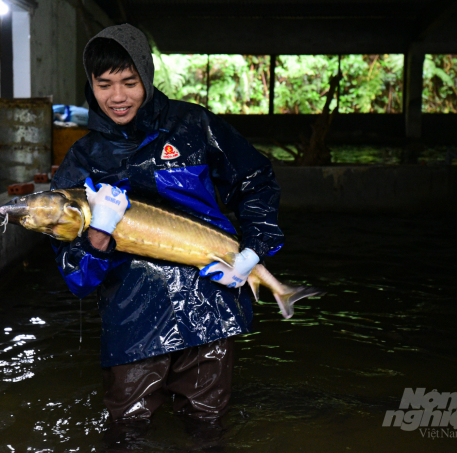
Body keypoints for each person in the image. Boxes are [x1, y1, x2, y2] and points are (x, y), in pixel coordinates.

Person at [50, 24, 284, 424]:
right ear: (91, 84)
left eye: (129, 81)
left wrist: (252, 251)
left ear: (147, 75)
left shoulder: (194, 126)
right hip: (132, 321)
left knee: (206, 428)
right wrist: (98, 235)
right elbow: (77, 278)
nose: (118, 97)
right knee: (128, 432)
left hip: (210, 308)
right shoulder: (83, 160)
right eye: (104, 84)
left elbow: (255, 180)